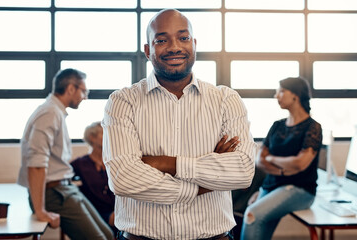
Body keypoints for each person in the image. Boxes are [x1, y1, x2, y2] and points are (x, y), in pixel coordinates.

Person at [102, 9, 257, 240]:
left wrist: (165, 163)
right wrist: (203, 184)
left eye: (183, 38)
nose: (174, 47)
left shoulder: (226, 99)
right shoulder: (123, 101)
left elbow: (242, 172)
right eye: (162, 40)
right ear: (148, 50)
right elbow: (123, 179)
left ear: (194, 44)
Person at [17, 68, 114, 240]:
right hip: (55, 193)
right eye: (83, 91)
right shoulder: (50, 113)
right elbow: (37, 162)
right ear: (70, 89)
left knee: (107, 234)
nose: (85, 97)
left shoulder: (55, 112)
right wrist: (40, 211)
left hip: (65, 188)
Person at [240, 77, 323, 240]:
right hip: (271, 186)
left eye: (281, 91)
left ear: (295, 95)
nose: (276, 96)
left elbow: (300, 164)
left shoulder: (313, 127)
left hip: (300, 190)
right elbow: (260, 161)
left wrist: (271, 158)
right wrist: (284, 168)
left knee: (252, 214)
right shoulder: (277, 125)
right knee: (256, 222)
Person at [71, 121, 118, 236]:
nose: (109, 136)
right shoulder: (80, 164)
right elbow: (63, 179)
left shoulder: (113, 162)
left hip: (117, 211)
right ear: (92, 137)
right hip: (93, 213)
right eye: (103, 133)